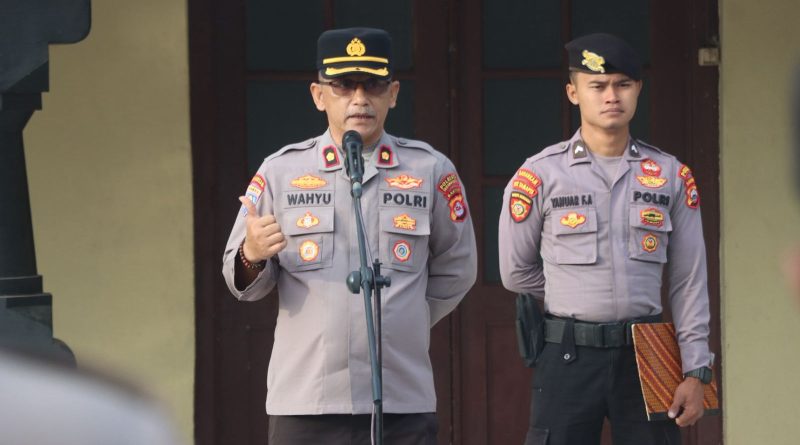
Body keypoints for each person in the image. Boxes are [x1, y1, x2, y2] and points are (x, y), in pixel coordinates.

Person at [222, 27, 477, 444]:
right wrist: (252, 253)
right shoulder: (280, 172)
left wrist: (404, 316)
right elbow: (241, 282)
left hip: (400, 397)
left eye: (373, 85)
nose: (359, 99)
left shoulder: (430, 170)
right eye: (343, 86)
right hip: (307, 400)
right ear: (319, 95)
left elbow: (458, 266)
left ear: (393, 93)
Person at [498, 33, 714, 445]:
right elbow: (515, 271)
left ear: (638, 90)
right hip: (568, 352)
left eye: (622, 84)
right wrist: (576, 290)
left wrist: (696, 369)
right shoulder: (540, 175)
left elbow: (689, 279)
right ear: (573, 93)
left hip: (648, 353)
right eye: (597, 86)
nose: (611, 96)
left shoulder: (671, 175)